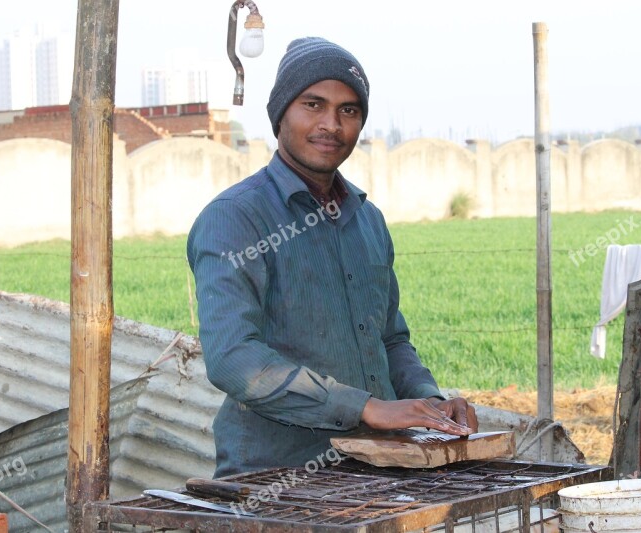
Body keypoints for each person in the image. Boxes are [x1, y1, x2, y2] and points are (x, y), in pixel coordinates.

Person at [187, 37, 478, 478]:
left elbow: (390, 339)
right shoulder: (234, 219)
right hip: (276, 481)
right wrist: (363, 407)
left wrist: (432, 403)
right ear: (280, 113)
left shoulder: (368, 220)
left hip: (380, 472)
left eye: (349, 110)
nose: (332, 124)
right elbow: (233, 359)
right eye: (313, 104)